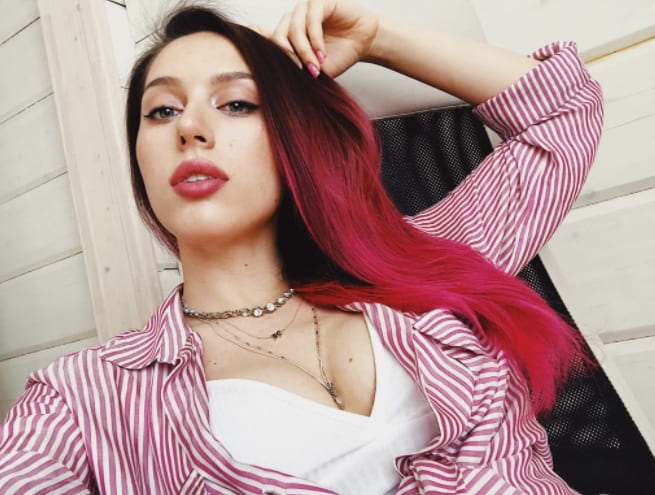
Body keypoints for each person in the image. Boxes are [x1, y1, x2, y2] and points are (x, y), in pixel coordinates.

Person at [0, 0, 603, 493]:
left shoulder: (419, 259)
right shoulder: (83, 401)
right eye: (161, 111)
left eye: (237, 103)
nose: (189, 128)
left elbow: (562, 110)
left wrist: (376, 38)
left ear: (291, 138)